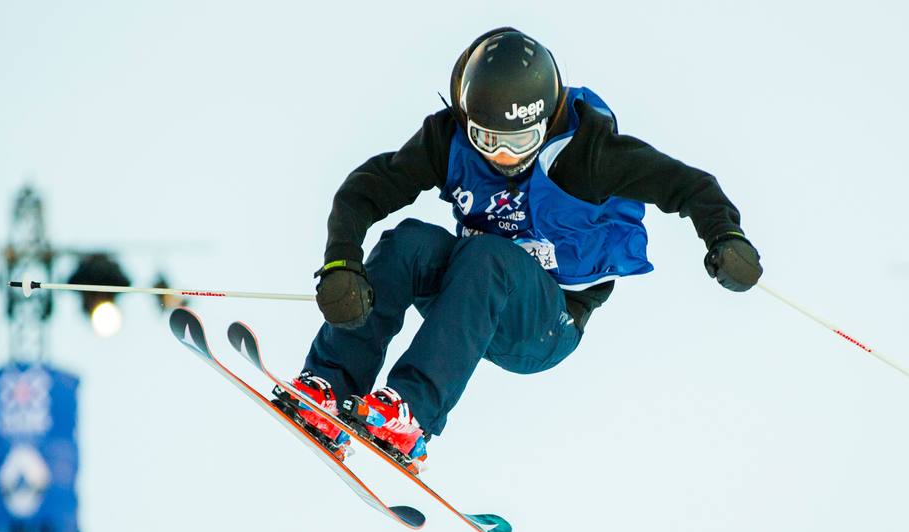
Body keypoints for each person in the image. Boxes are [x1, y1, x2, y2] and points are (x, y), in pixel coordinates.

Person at [279, 27, 763, 472]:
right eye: (487, 139)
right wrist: (341, 262)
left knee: (488, 257)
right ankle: (330, 387)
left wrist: (726, 237)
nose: (503, 156)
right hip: (471, 293)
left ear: (546, 122)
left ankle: (410, 413)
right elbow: (364, 189)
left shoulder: (588, 155)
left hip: (548, 322)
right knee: (407, 241)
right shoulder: (449, 142)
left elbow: (690, 187)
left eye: (521, 141)